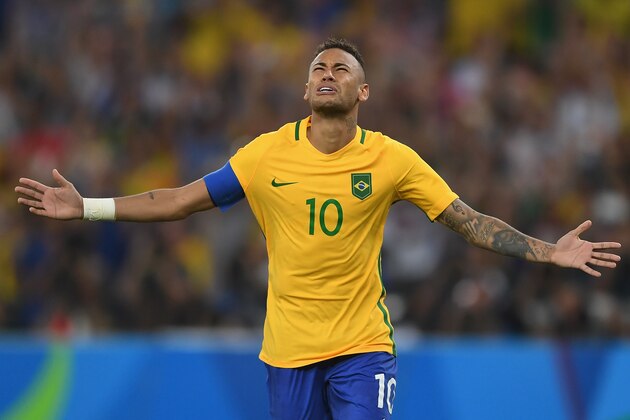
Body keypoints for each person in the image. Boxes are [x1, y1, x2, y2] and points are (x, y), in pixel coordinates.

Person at [15, 38, 622, 419]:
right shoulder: (265, 156)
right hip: (288, 352)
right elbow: (178, 199)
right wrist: (87, 207)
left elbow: (467, 220)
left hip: (362, 346)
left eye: (342, 67)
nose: (327, 72)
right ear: (306, 88)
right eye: (318, 67)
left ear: (364, 89)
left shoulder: (393, 159)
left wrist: (548, 252)